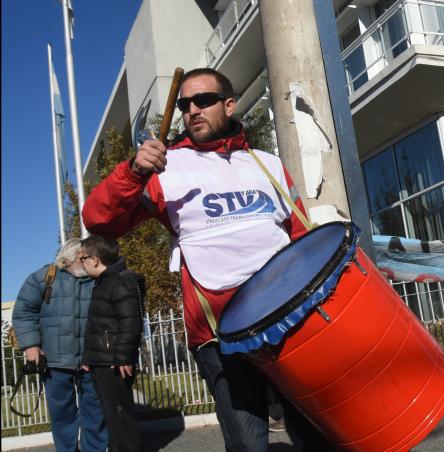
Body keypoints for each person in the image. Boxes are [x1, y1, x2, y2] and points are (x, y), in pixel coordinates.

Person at [82, 68, 331, 451]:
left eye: (204, 101)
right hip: (220, 333)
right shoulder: (165, 168)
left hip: (290, 321)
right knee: (248, 444)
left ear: (229, 105)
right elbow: (100, 221)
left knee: (318, 434)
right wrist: (133, 172)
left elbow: (299, 235)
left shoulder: (267, 163)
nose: (192, 110)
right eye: (185, 104)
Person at [12, 239, 108, 452]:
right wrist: (31, 346)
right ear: (68, 260)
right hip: (54, 360)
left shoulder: (97, 279)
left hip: (91, 359)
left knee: (95, 411)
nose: (88, 262)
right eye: (83, 258)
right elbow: (24, 313)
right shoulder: (42, 278)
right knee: (62, 414)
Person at [80, 235, 145, 452]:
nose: (82, 263)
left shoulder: (120, 282)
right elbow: (100, 325)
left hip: (115, 363)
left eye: (83, 259)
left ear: (95, 260)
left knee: (120, 416)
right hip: (103, 361)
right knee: (112, 415)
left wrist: (123, 356)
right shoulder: (105, 282)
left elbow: (130, 323)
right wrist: (90, 357)